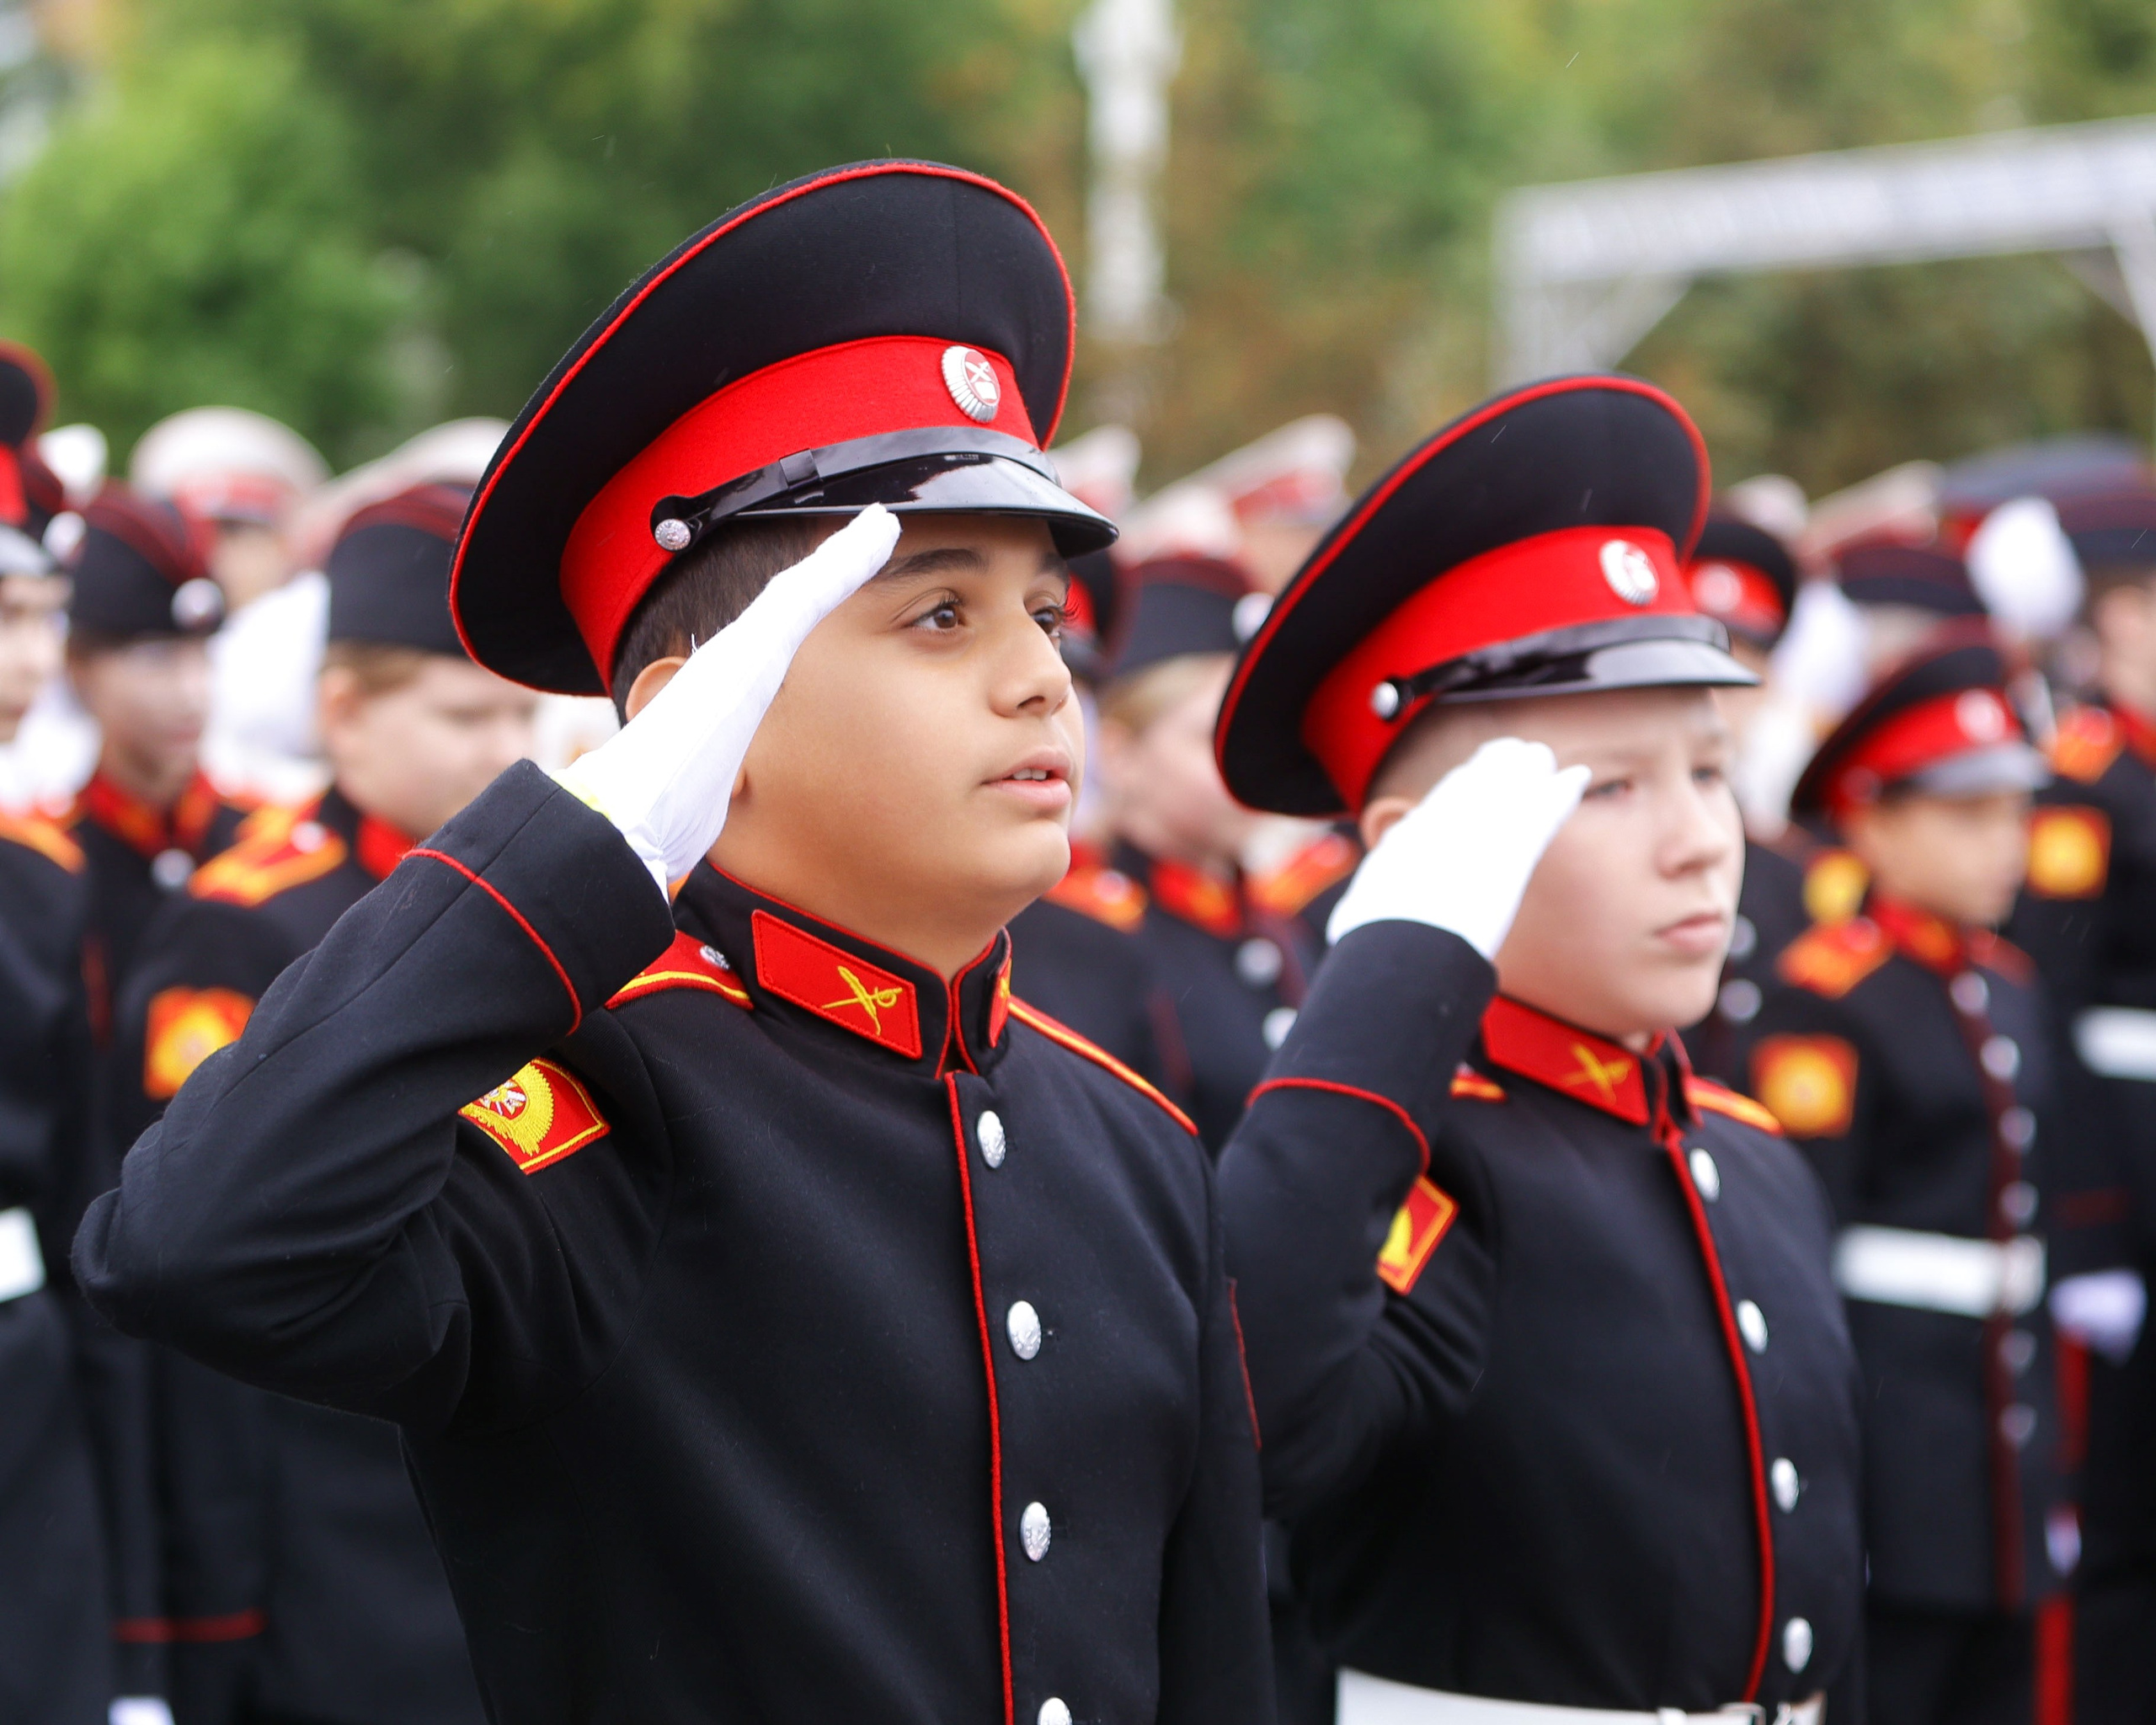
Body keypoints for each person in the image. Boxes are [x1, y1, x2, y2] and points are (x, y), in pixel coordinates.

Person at [77, 160, 1272, 1725]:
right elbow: (199, 1243)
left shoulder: (1134, 1145)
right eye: (938, 614)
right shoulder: (602, 1114)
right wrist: (589, 840)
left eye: (1043, 613)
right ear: (700, 719)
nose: (1046, 678)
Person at [1216, 375, 1865, 1724]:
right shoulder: (1422, 1164)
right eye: (1609, 788)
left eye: (1707, 769)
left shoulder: (1743, 1150)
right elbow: (1251, 1419)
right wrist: (1397, 968)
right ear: (1416, 853)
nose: (1699, 836)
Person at [101, 483, 529, 1725]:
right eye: (464, 713)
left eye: (519, 708)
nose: (508, 748)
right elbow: (201, 1302)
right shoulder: (249, 929)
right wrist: (204, 1611)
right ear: (343, 713)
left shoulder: (565, 920)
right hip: (331, 1549)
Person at [1744, 628, 2070, 1724]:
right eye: (1969, 817)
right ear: (1874, 819)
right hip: (1897, 1441)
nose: (2007, 847)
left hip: (2000, 1439)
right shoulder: (1828, 998)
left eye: (2017, 814)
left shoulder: (2008, 983)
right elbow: (1799, 1254)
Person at [2008, 485, 2156, 1723]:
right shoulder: (2082, 781)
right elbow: (2050, 1013)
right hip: (2128, 1161)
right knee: (2116, 1504)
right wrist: (2095, 1227)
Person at [0, 516, 126, 1724]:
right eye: (1, 618)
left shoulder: (36, 877)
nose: (30, 661)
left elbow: (81, 1185)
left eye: (41, 615)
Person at [1095, 555, 1315, 1151]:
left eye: (1249, 734)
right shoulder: (1098, 946)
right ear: (1121, 754)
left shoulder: (1279, 926)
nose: (1242, 761)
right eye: (1210, 736)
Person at [58, 485, 250, 1019]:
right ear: (79, 669)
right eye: (157, 659)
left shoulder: (264, 838)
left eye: (203, 654)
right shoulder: (49, 861)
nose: (192, 693)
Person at [1681, 512, 1808, 1082]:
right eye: (1687, 662)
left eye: (1735, 670)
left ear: (1769, 688)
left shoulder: (1803, 880)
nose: (1711, 695)